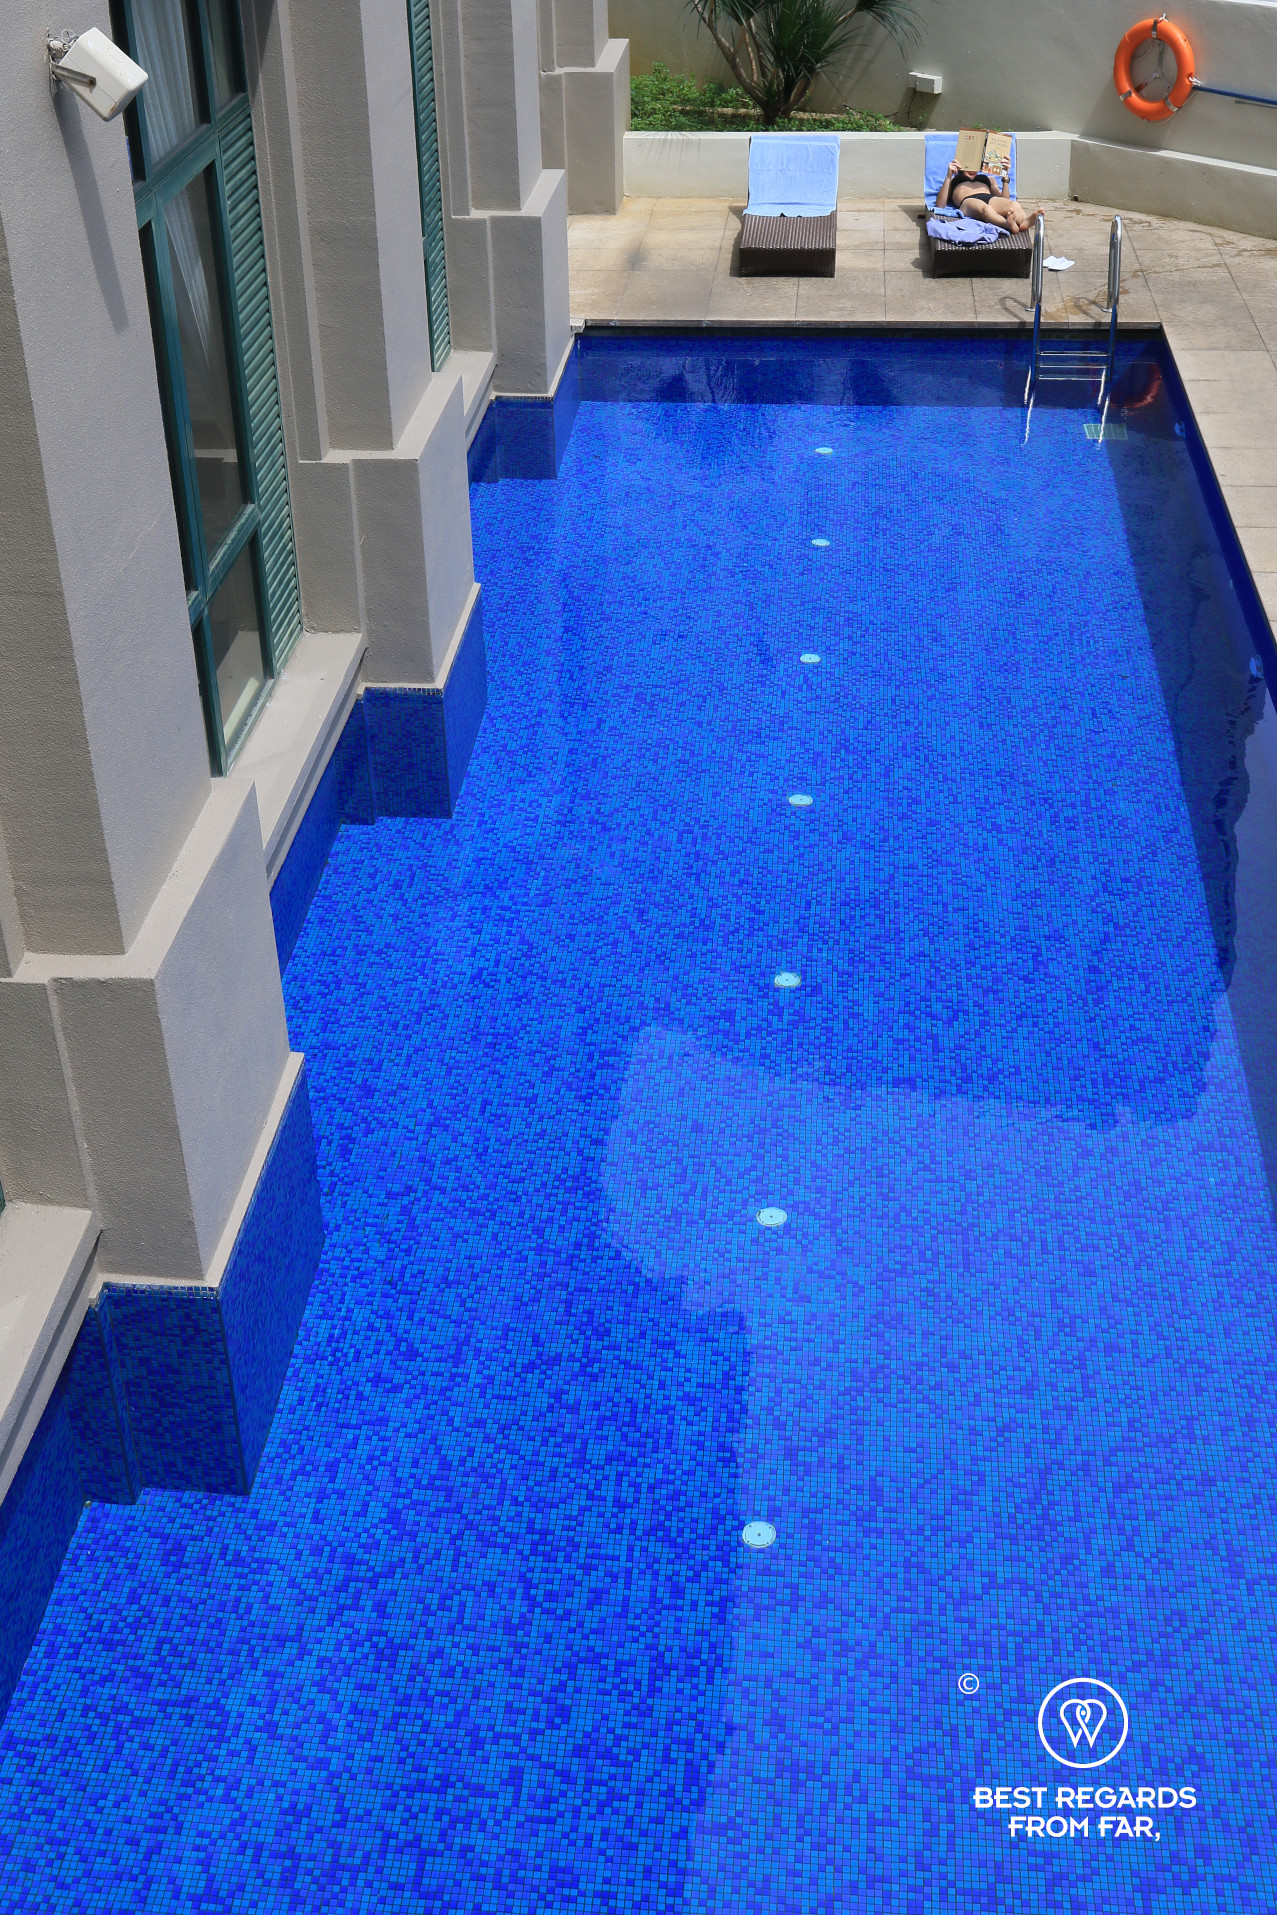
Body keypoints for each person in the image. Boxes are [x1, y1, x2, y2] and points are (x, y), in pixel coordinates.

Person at [937, 159, 1041, 234]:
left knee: (1013, 204)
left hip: (989, 198)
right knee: (985, 209)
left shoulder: (989, 179)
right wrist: (948, 176)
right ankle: (1006, 224)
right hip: (968, 201)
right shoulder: (953, 180)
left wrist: (1005, 177)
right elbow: (940, 205)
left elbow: (1004, 200)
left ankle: (1024, 222)